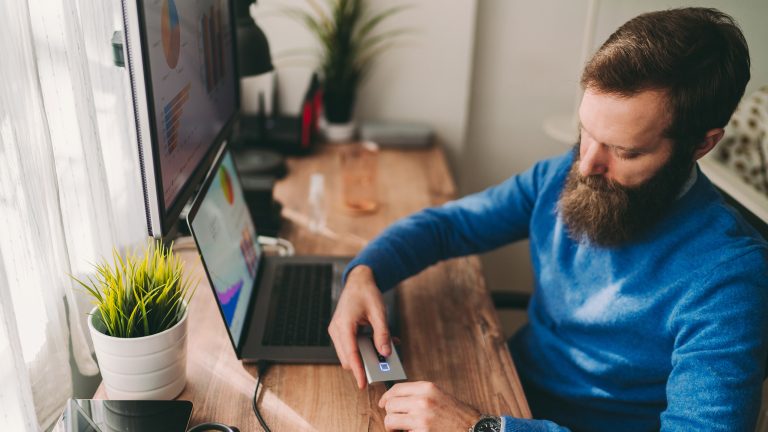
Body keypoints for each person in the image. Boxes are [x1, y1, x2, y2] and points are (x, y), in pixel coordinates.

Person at [327, 7, 768, 432]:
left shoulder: (731, 279)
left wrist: (481, 429)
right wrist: (366, 272)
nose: (586, 165)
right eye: (586, 133)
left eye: (624, 151)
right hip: (504, 388)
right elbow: (452, 224)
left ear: (701, 145)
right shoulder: (564, 173)